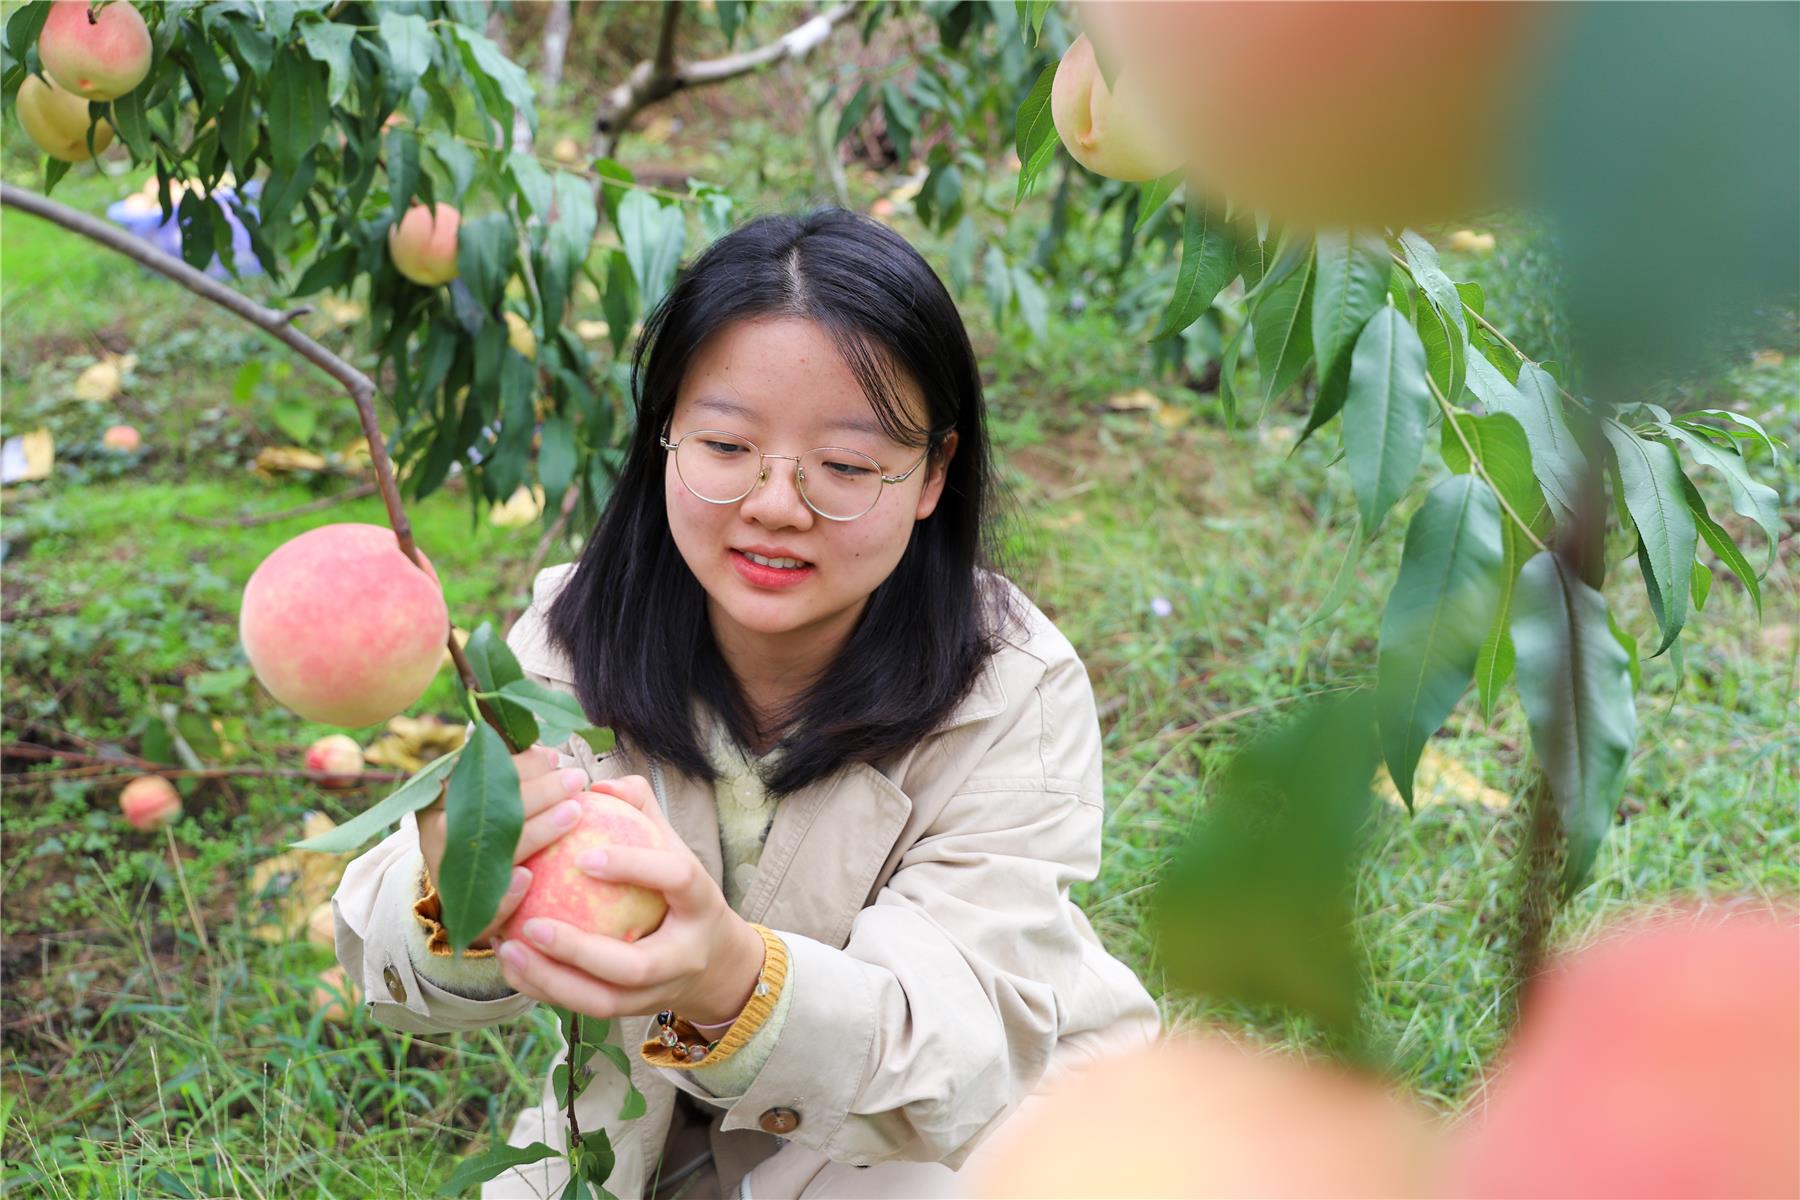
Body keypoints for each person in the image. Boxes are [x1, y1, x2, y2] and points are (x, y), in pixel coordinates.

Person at [330, 208, 1161, 1199]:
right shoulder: (569, 645)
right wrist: (458, 891)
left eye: (845, 466)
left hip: (975, 1133)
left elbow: (957, 1055)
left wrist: (730, 979)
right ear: (665, 434)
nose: (775, 505)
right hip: (642, 1128)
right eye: (726, 445)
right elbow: (389, 961)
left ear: (933, 474)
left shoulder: (1010, 688)